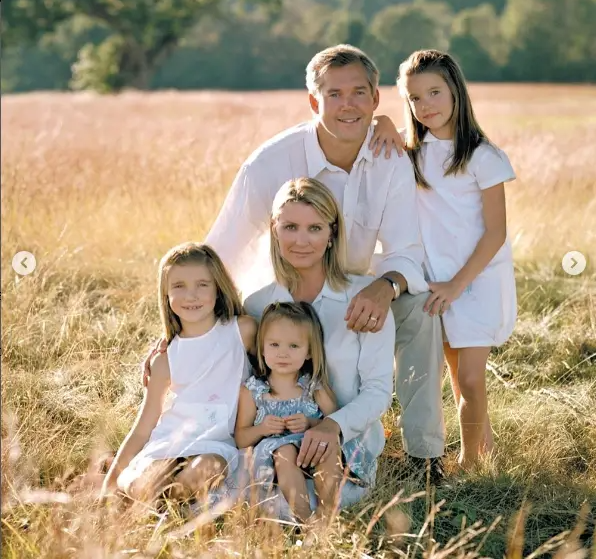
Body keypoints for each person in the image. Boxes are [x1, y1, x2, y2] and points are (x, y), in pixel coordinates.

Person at [203, 44, 446, 480]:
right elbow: (221, 251)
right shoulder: (271, 162)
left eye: (359, 93)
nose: (347, 105)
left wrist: (385, 285)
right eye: (334, 94)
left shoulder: (391, 159)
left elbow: (406, 251)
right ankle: (222, 435)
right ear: (314, 101)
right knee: (239, 330)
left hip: (362, 289)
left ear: (375, 99)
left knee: (422, 313)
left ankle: (423, 456)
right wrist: (180, 330)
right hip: (287, 293)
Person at [372, 49, 517, 468]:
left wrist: (458, 285)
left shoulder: (482, 156)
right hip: (436, 281)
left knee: (471, 378)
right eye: (415, 98)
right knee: (458, 378)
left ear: (456, 91)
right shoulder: (412, 151)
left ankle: (471, 467)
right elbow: (377, 132)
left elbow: (496, 232)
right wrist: (383, 120)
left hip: (476, 278)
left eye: (435, 92)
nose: (426, 105)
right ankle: (484, 455)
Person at [243, 177, 395, 516]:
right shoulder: (257, 305)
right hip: (277, 452)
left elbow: (378, 390)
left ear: (332, 234)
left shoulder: (364, 297)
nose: (301, 240)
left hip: (345, 447)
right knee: (274, 507)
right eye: (290, 227)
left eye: (314, 228)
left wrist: (332, 425)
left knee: (326, 504)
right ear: (274, 229)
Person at [101, 243, 257, 503]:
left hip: (215, 443)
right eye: (179, 286)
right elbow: (143, 427)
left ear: (218, 288)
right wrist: (108, 486)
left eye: (202, 285)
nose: (191, 295)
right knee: (144, 483)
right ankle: (149, 495)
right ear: (166, 294)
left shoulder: (241, 331)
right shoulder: (165, 359)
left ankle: (163, 504)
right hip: (167, 444)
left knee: (202, 473)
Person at [235, 301, 338, 523]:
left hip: (310, 451)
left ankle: (328, 517)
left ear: (309, 352)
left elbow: (336, 421)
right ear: (262, 348)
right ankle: (306, 519)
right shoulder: (253, 390)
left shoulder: (313, 386)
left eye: (293, 346)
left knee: (326, 445)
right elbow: (241, 438)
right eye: (274, 345)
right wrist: (262, 429)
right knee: (285, 451)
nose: (283, 354)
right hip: (276, 462)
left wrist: (311, 423)